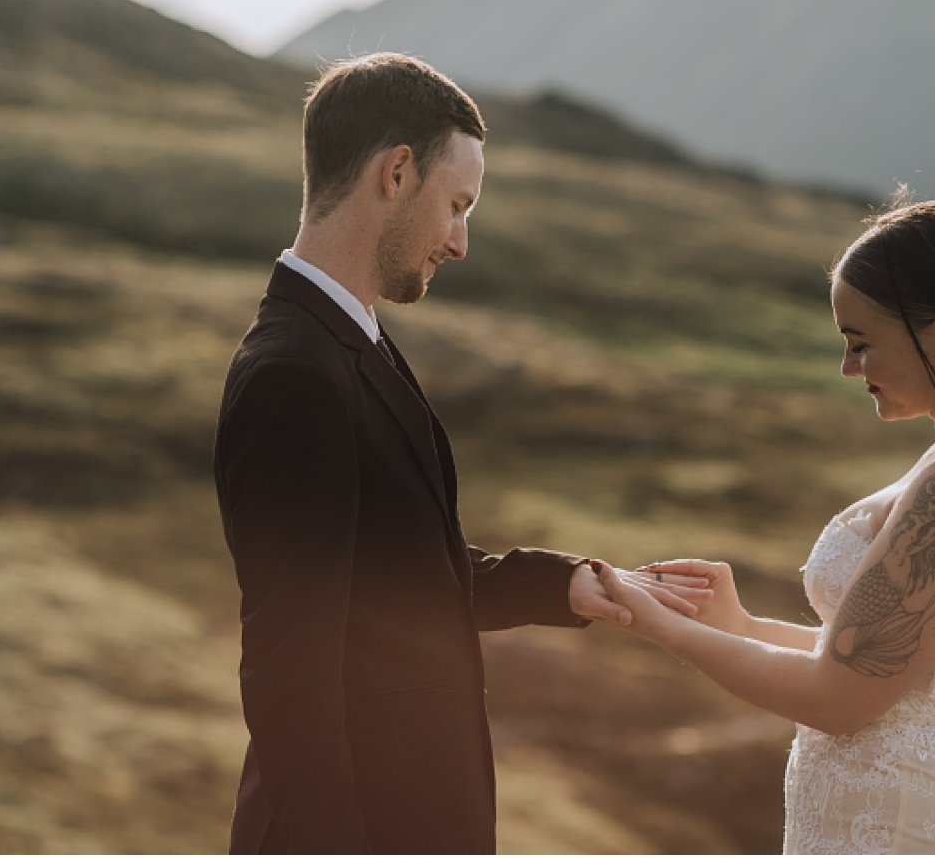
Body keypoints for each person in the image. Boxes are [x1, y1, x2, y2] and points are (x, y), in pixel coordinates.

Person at [213, 53, 705, 854]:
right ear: (397, 174)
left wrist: (563, 584)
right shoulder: (295, 374)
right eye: (458, 204)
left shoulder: (352, 343)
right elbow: (288, 672)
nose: (460, 241)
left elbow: (400, 577)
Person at [593, 196, 935, 854]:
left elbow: (841, 698)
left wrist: (663, 627)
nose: (849, 369)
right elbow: (884, 664)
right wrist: (739, 626)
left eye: (861, 343)